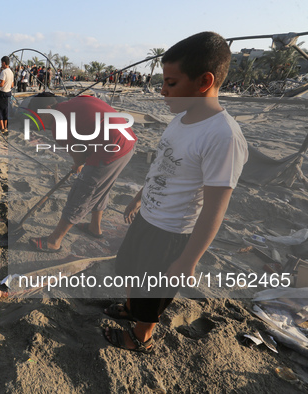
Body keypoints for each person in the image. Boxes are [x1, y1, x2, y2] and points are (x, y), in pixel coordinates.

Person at [103, 32, 248, 353]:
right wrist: (139, 197)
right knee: (131, 270)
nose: (162, 90)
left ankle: (141, 337)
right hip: (147, 217)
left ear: (204, 81)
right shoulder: (180, 120)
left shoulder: (223, 136)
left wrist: (188, 260)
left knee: (152, 290)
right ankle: (130, 309)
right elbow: (162, 166)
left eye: (171, 82)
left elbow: (214, 209)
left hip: (172, 233)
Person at [29, 94, 136, 253]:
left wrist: (78, 164)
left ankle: (54, 241)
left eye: (37, 117)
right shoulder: (76, 100)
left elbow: (79, 156)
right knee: (101, 187)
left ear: (48, 110)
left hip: (111, 148)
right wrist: (79, 163)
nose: (37, 122)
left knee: (83, 191)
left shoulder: (59, 125)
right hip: (128, 141)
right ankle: (94, 228)